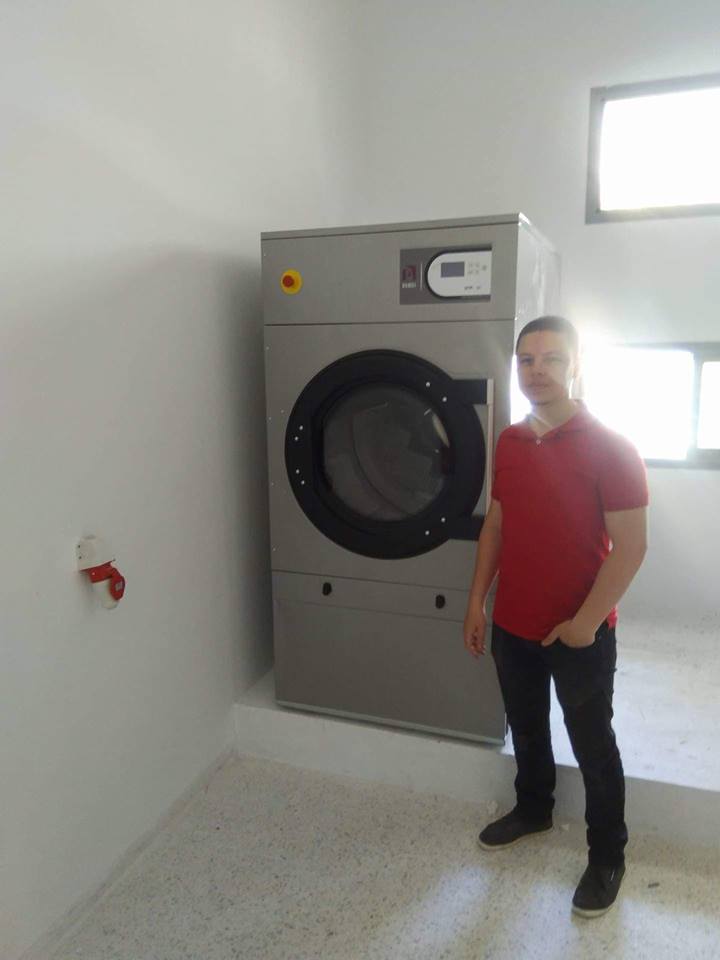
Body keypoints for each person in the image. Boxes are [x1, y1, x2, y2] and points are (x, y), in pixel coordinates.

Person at [463, 315, 648, 918]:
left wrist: (585, 624)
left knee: (594, 746)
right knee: (526, 725)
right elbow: (496, 525)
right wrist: (477, 601)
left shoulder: (613, 447)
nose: (537, 371)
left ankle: (607, 855)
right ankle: (534, 809)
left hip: (580, 633)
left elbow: (631, 548)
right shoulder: (510, 442)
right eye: (527, 360)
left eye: (552, 359)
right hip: (513, 624)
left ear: (576, 366)